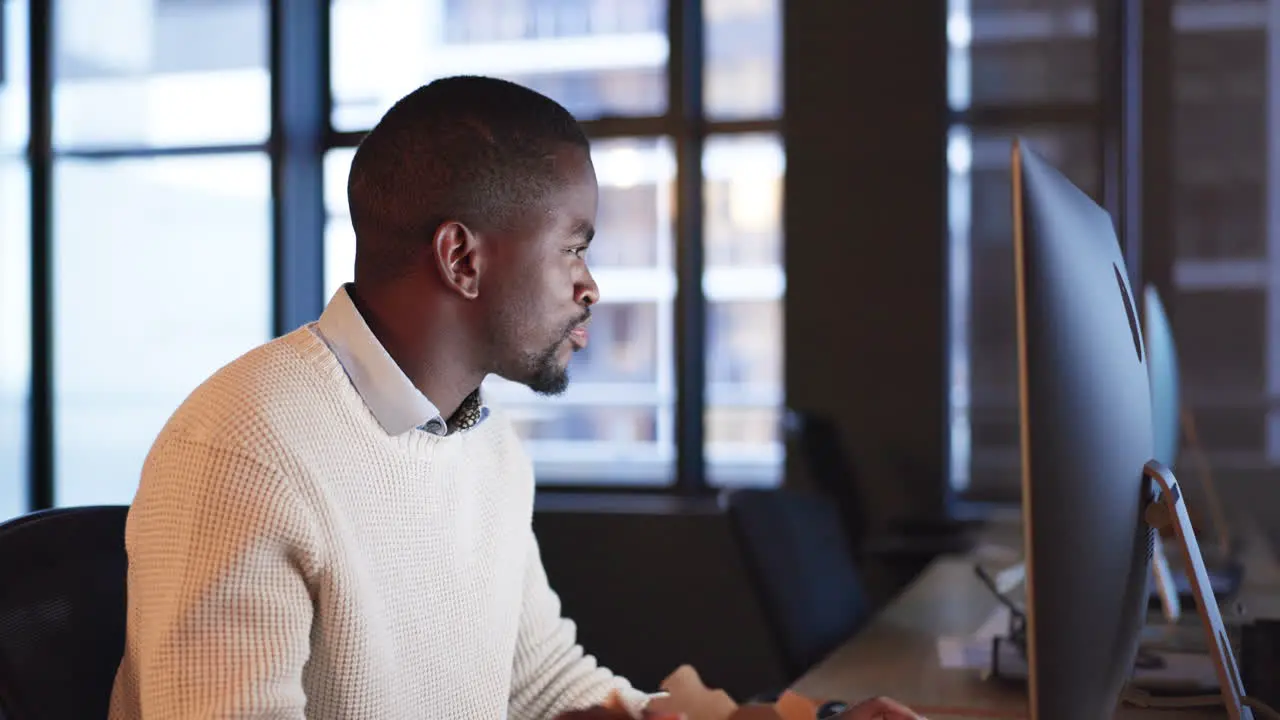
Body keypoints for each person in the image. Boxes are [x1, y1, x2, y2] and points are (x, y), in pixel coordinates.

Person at [107, 75, 922, 720]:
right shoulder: (243, 450)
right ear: (462, 259)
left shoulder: (483, 445)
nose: (591, 286)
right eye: (573, 246)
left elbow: (541, 686)